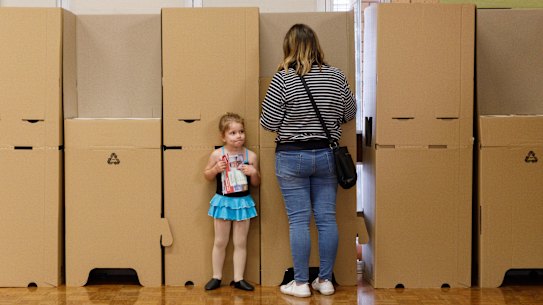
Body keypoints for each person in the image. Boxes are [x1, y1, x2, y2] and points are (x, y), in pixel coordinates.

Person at [260, 24, 356, 298]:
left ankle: (301, 283)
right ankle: (325, 281)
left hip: (291, 158)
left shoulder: (282, 79)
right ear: (316, 45)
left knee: (299, 221)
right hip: (327, 156)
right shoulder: (336, 76)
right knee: (326, 220)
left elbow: (268, 122)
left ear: (289, 47)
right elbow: (349, 112)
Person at [203, 112, 261, 291]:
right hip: (223, 202)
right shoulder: (217, 155)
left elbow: (256, 182)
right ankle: (216, 276)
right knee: (220, 241)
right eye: (233, 133)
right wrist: (214, 169)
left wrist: (253, 173)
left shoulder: (251, 156)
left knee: (240, 242)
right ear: (223, 136)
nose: (239, 136)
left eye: (241, 131)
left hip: (243, 203)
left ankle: (239, 278)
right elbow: (206, 175)